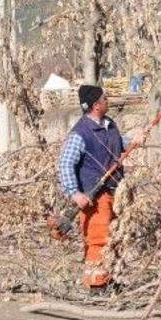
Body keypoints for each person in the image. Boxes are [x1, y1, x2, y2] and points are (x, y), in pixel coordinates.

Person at [57, 85, 144, 291]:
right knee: (98, 238)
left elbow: (120, 142)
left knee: (115, 236)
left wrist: (135, 140)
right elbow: (65, 164)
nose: (108, 101)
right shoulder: (80, 133)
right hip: (94, 196)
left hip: (115, 191)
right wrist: (74, 192)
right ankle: (97, 284)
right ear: (96, 104)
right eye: (105, 98)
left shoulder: (109, 124)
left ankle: (110, 278)